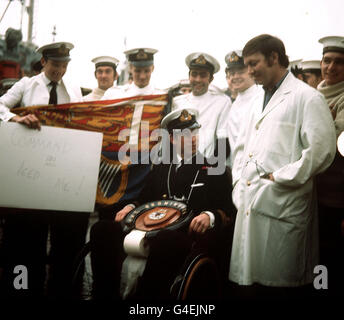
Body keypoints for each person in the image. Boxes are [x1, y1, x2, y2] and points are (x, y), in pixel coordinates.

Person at [228, 34, 336, 300]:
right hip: (250, 201)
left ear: (274, 57)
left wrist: (282, 176)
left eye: (254, 64)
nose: (249, 71)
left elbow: (322, 151)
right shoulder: (255, 100)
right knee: (249, 285)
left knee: (283, 286)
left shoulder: (307, 97)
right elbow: (240, 149)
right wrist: (237, 184)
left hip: (285, 202)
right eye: (247, 65)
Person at [90, 108, 235, 300]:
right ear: (172, 139)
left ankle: (146, 301)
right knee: (102, 229)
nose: (193, 138)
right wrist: (130, 207)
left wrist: (209, 216)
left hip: (186, 235)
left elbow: (227, 209)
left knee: (166, 239)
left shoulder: (213, 168)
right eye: (186, 134)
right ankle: (104, 294)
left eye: (195, 132)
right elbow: (143, 199)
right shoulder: (161, 167)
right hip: (149, 228)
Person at [0, 42, 88, 299]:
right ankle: (23, 289)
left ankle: (61, 292)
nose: (59, 70)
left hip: (60, 176)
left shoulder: (72, 89)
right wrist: (16, 119)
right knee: (26, 243)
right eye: (55, 64)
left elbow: (82, 120)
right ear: (43, 62)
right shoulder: (26, 85)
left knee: (65, 242)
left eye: (64, 65)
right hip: (29, 177)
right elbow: (0, 106)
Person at [316, 35, 344, 296]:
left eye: (339, 62)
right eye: (327, 60)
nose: (331, 67)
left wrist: (323, 127)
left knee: (332, 254)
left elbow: (334, 142)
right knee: (315, 253)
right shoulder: (315, 94)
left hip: (336, 197)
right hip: (312, 193)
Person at [172, 52, 231, 161]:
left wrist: (210, 167)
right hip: (180, 165)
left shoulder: (222, 102)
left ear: (211, 78)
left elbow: (223, 141)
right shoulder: (177, 102)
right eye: (194, 74)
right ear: (189, 76)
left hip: (206, 166)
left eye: (203, 75)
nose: (198, 79)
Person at [225, 50, 262, 168]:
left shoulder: (262, 97)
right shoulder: (234, 104)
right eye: (232, 73)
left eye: (240, 72)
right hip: (238, 170)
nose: (235, 77)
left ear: (250, 71)